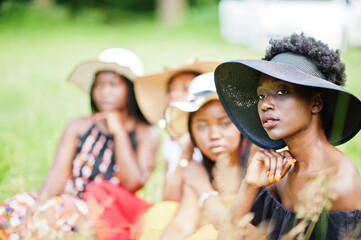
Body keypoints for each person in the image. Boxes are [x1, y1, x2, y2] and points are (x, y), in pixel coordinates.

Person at [0, 48, 159, 240]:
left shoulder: (145, 132)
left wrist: (118, 131)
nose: (104, 92)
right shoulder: (79, 125)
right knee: (10, 211)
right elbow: (59, 172)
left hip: (102, 209)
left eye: (113, 85)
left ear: (131, 89)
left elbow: (133, 183)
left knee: (51, 217)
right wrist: (40, 201)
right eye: (99, 85)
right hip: (65, 199)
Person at [214, 33, 361, 239]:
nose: (265, 104)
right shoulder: (278, 175)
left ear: (316, 103)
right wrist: (249, 184)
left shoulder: (339, 183)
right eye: (261, 95)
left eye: (281, 92)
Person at [138, 72, 260, 240]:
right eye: (202, 127)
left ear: (240, 125)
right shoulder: (199, 169)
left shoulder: (259, 161)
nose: (214, 135)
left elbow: (239, 234)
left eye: (225, 123)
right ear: (192, 134)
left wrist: (204, 190)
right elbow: (182, 224)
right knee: (160, 215)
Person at [135, 60, 219, 202]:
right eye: (171, 89)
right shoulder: (170, 140)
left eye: (185, 88)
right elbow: (167, 197)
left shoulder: (211, 138)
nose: (174, 94)